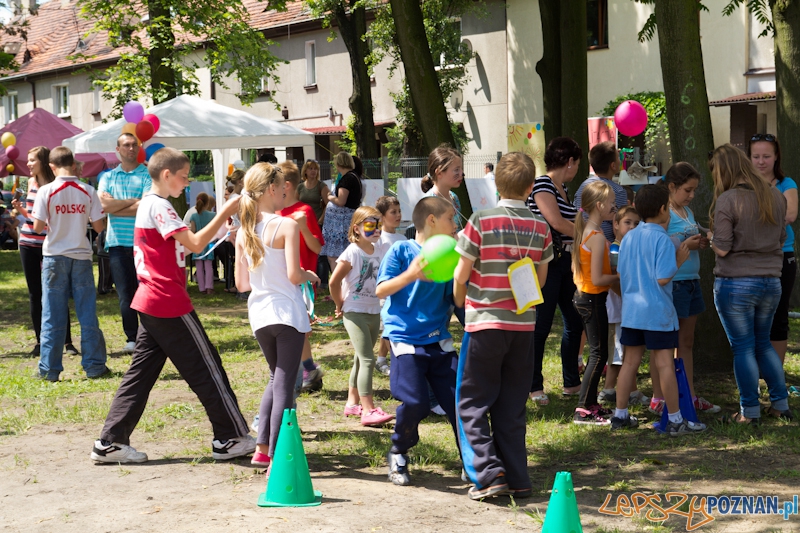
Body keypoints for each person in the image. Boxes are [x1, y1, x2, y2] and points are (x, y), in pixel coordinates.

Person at [91, 148, 253, 464]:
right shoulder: (159, 205)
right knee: (207, 368)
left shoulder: (152, 205)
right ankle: (229, 437)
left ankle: (109, 442)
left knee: (140, 376)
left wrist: (222, 228)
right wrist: (225, 210)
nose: (187, 181)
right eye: (183, 175)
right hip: (166, 301)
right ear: (167, 175)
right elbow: (193, 244)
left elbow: (189, 242)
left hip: (152, 301)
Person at [454, 152, 553, 500]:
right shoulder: (541, 227)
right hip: (522, 328)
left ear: (495, 182)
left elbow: (461, 275)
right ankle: (518, 477)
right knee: (512, 405)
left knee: (471, 403)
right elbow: (539, 279)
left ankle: (488, 473)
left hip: (484, 324)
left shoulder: (480, 220)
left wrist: (462, 305)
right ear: (530, 187)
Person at [235, 162, 320, 468]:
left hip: (260, 315)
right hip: (287, 313)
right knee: (284, 382)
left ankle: (261, 449)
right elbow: (294, 275)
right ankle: (275, 454)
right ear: (272, 189)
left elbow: (241, 284)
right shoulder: (287, 225)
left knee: (276, 379)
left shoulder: (244, 231)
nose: (287, 190)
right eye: (283, 185)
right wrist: (310, 275)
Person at [376, 196, 458, 486]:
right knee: (415, 402)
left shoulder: (451, 254)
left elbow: (455, 299)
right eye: (450, 218)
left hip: (439, 342)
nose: (455, 225)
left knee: (460, 402)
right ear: (432, 220)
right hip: (405, 341)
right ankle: (399, 450)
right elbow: (381, 290)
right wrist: (411, 274)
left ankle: (473, 461)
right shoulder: (401, 249)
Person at [707, 144, 792, 424]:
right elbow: (781, 239)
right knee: (764, 344)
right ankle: (780, 404)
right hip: (771, 281)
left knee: (743, 348)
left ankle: (749, 411)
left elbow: (721, 247)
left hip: (736, 284)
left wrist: (708, 238)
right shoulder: (775, 196)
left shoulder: (728, 199)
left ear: (724, 172)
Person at [611, 185, 705, 435]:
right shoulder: (661, 239)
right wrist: (680, 260)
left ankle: (620, 415)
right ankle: (674, 419)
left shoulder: (629, 236)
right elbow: (663, 277)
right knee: (665, 364)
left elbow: (623, 272)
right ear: (663, 209)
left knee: (629, 362)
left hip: (632, 313)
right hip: (657, 314)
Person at [31, 146, 108, 381]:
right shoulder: (88, 190)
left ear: (52, 167)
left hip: (54, 256)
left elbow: (37, 227)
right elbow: (99, 227)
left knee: (52, 315)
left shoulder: (46, 191)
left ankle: (49, 370)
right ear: (73, 164)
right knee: (87, 314)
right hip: (82, 257)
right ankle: (94, 366)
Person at [525, 137, 583, 404]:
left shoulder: (563, 187)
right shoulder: (543, 184)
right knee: (542, 326)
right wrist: (590, 234)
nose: (576, 169)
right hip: (546, 262)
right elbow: (557, 223)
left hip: (566, 263)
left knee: (575, 320)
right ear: (569, 162)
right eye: (576, 164)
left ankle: (571, 383)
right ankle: (534, 386)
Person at [329, 206, 394, 426]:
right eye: (369, 225)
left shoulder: (379, 250)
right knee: (368, 359)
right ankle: (368, 409)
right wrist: (340, 304)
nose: (375, 229)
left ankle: (352, 403)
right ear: (356, 228)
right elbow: (333, 282)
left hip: (373, 311)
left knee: (360, 357)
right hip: (354, 311)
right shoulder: (352, 252)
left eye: (378, 224)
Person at [664, 163, 720, 414]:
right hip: (673, 283)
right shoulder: (664, 213)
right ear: (672, 187)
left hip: (692, 280)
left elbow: (694, 234)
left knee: (686, 341)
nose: (692, 195)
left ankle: (689, 395)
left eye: (694, 190)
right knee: (666, 343)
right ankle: (664, 396)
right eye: (687, 190)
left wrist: (704, 239)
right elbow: (660, 247)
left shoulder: (686, 210)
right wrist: (686, 245)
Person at [12, 146, 77, 357]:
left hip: (50, 244)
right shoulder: (29, 183)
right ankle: (41, 342)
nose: (28, 164)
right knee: (35, 293)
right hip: (28, 243)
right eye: (28, 160)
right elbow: (33, 216)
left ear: (43, 162)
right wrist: (20, 210)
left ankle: (67, 342)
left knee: (58, 290)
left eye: (32, 160)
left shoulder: (52, 186)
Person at [98, 133, 152, 353]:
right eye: (126, 145)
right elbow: (104, 206)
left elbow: (148, 205)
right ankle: (132, 338)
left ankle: (148, 335)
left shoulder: (148, 174)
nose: (131, 148)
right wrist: (134, 202)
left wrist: (116, 206)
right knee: (124, 294)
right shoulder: (108, 177)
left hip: (143, 243)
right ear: (118, 149)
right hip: (118, 243)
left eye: (134, 145)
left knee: (145, 291)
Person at [570, 181, 619, 425]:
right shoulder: (597, 237)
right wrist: (622, 275)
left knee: (599, 353)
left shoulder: (586, 230)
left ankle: (590, 403)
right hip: (592, 298)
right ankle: (583, 409)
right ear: (599, 205)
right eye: (611, 203)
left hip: (585, 296)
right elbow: (599, 278)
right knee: (599, 354)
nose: (615, 206)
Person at [277, 160, 325, 392]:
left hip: (302, 280)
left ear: (286, 186)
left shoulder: (304, 211)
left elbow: (317, 248)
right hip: (281, 279)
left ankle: (304, 371)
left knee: (298, 327)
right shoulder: (274, 212)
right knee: (293, 327)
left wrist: (304, 227)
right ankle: (308, 369)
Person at [749, 134, 797, 364]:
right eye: (755, 156)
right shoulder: (743, 186)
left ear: (776, 157)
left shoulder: (787, 184)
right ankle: (755, 369)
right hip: (750, 257)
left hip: (782, 255)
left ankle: (775, 373)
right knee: (751, 315)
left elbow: (790, 214)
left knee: (778, 316)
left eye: (766, 156)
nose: (761, 162)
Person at [597, 207, 649, 407]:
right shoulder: (615, 249)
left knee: (627, 351)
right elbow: (614, 280)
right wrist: (630, 297)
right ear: (616, 224)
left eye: (636, 223)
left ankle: (631, 390)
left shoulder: (630, 247)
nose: (632, 227)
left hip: (626, 310)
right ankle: (609, 389)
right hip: (617, 310)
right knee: (618, 353)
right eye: (628, 222)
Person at [375, 195, 406, 376]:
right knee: (389, 327)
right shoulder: (379, 239)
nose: (398, 215)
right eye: (393, 212)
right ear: (382, 216)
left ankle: (380, 359)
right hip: (385, 291)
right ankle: (398, 365)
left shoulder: (402, 238)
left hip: (400, 290)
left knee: (389, 326)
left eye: (399, 211)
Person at [574, 141, 628, 243]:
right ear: (613, 166)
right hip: (607, 245)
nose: (620, 160)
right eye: (618, 157)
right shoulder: (617, 191)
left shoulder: (583, 187)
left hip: (584, 241)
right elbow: (621, 223)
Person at [320, 152, 362, 271]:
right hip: (343, 220)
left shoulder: (347, 178)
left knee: (334, 256)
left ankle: (339, 282)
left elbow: (341, 201)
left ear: (339, 164)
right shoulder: (354, 176)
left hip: (340, 223)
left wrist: (329, 197)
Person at [421, 144, 464, 231]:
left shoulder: (454, 197)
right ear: (439, 172)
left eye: (461, 169)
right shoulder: (428, 202)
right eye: (456, 170)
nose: (462, 174)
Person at [189, 193, 217, 294]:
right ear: (208, 203)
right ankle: (209, 287)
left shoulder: (193, 216)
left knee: (199, 266)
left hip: (197, 242)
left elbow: (193, 230)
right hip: (209, 243)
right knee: (208, 265)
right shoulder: (213, 215)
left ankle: (201, 288)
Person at [297, 159, 330, 227]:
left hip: (317, 222)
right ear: (305, 171)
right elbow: (295, 204)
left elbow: (329, 205)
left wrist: (321, 220)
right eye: (310, 168)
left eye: (315, 169)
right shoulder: (300, 187)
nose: (313, 171)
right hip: (304, 223)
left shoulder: (321, 186)